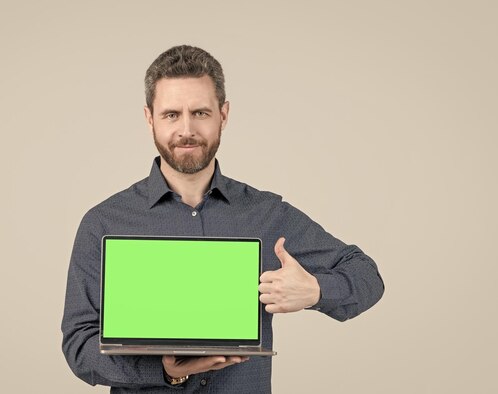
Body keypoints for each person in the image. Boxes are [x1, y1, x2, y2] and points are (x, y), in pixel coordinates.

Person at [61, 45, 384, 393]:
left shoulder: (266, 214)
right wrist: (164, 371)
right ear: (149, 117)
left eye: (200, 112)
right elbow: (79, 344)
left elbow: (367, 275)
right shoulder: (105, 222)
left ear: (223, 115)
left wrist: (316, 290)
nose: (186, 129)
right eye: (171, 114)